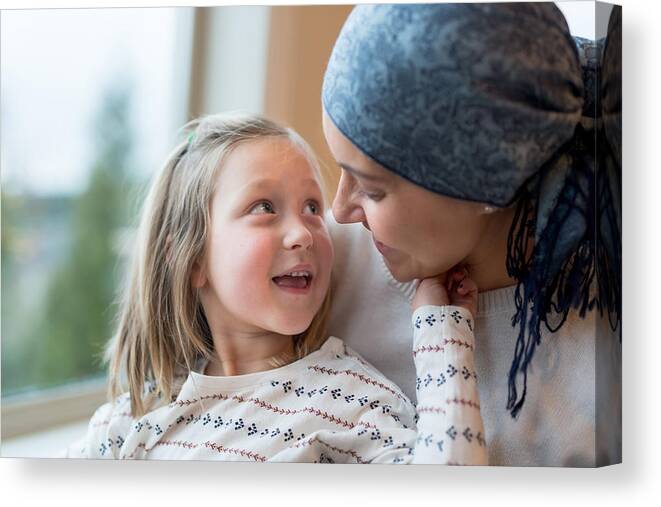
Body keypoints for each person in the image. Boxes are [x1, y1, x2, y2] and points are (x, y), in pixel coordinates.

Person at [65, 112, 487, 464]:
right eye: (264, 207)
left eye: (312, 208)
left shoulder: (354, 402)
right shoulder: (127, 424)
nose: (301, 233)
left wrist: (441, 332)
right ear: (192, 259)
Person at [321, 3, 621, 467]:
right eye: (340, 170)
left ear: (488, 183)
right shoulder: (316, 269)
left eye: (372, 188)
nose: (338, 211)